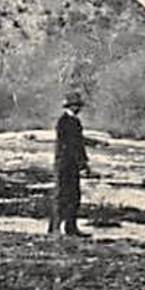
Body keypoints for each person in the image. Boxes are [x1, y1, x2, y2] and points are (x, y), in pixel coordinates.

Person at [48, 91, 97, 236]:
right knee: (62, 196)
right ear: (70, 106)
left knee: (74, 196)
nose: (79, 108)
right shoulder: (64, 122)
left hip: (71, 164)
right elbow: (72, 144)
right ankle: (55, 228)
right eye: (76, 105)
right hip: (64, 165)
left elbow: (78, 141)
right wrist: (83, 164)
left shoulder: (74, 122)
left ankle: (70, 227)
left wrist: (93, 144)